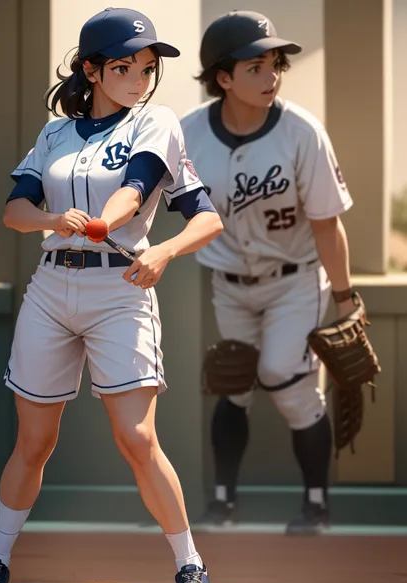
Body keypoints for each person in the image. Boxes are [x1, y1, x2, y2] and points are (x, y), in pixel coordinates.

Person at [0, 7, 222, 583]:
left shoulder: (155, 121)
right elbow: (14, 211)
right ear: (91, 69)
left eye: (146, 65)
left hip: (119, 289)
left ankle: (190, 563)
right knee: (35, 440)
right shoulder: (54, 133)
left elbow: (146, 194)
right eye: (123, 66)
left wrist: (158, 247)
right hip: (52, 288)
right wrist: (53, 220)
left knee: (136, 436)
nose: (140, 76)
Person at [181, 10, 354, 535]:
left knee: (285, 378)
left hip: (295, 279)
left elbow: (326, 224)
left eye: (275, 63)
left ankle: (316, 507)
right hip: (229, 282)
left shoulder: (301, 131)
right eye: (255, 66)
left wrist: (345, 296)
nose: (271, 75)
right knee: (234, 381)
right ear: (223, 77)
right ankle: (222, 505)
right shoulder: (187, 134)